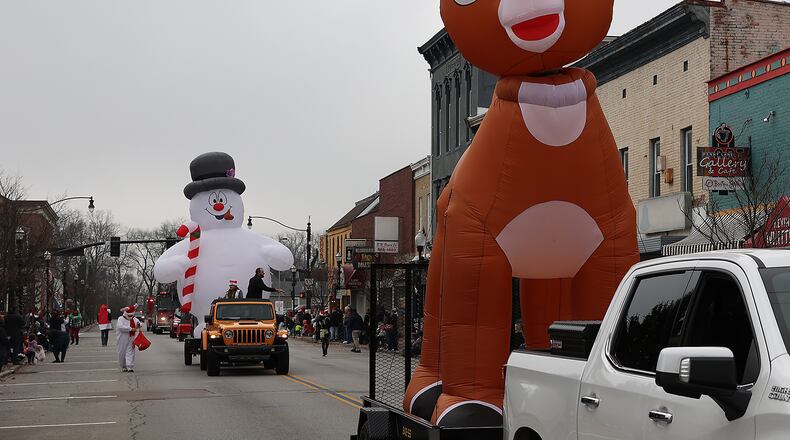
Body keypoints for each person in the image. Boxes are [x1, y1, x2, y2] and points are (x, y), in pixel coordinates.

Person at [116, 305, 142, 372]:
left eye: (131, 315)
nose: (130, 317)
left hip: (131, 338)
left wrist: (139, 325)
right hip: (122, 339)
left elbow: (139, 323)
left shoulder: (134, 319)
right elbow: (121, 327)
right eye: (129, 316)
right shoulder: (120, 319)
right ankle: (123, 366)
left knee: (130, 352)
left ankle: (129, 366)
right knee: (122, 352)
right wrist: (130, 329)